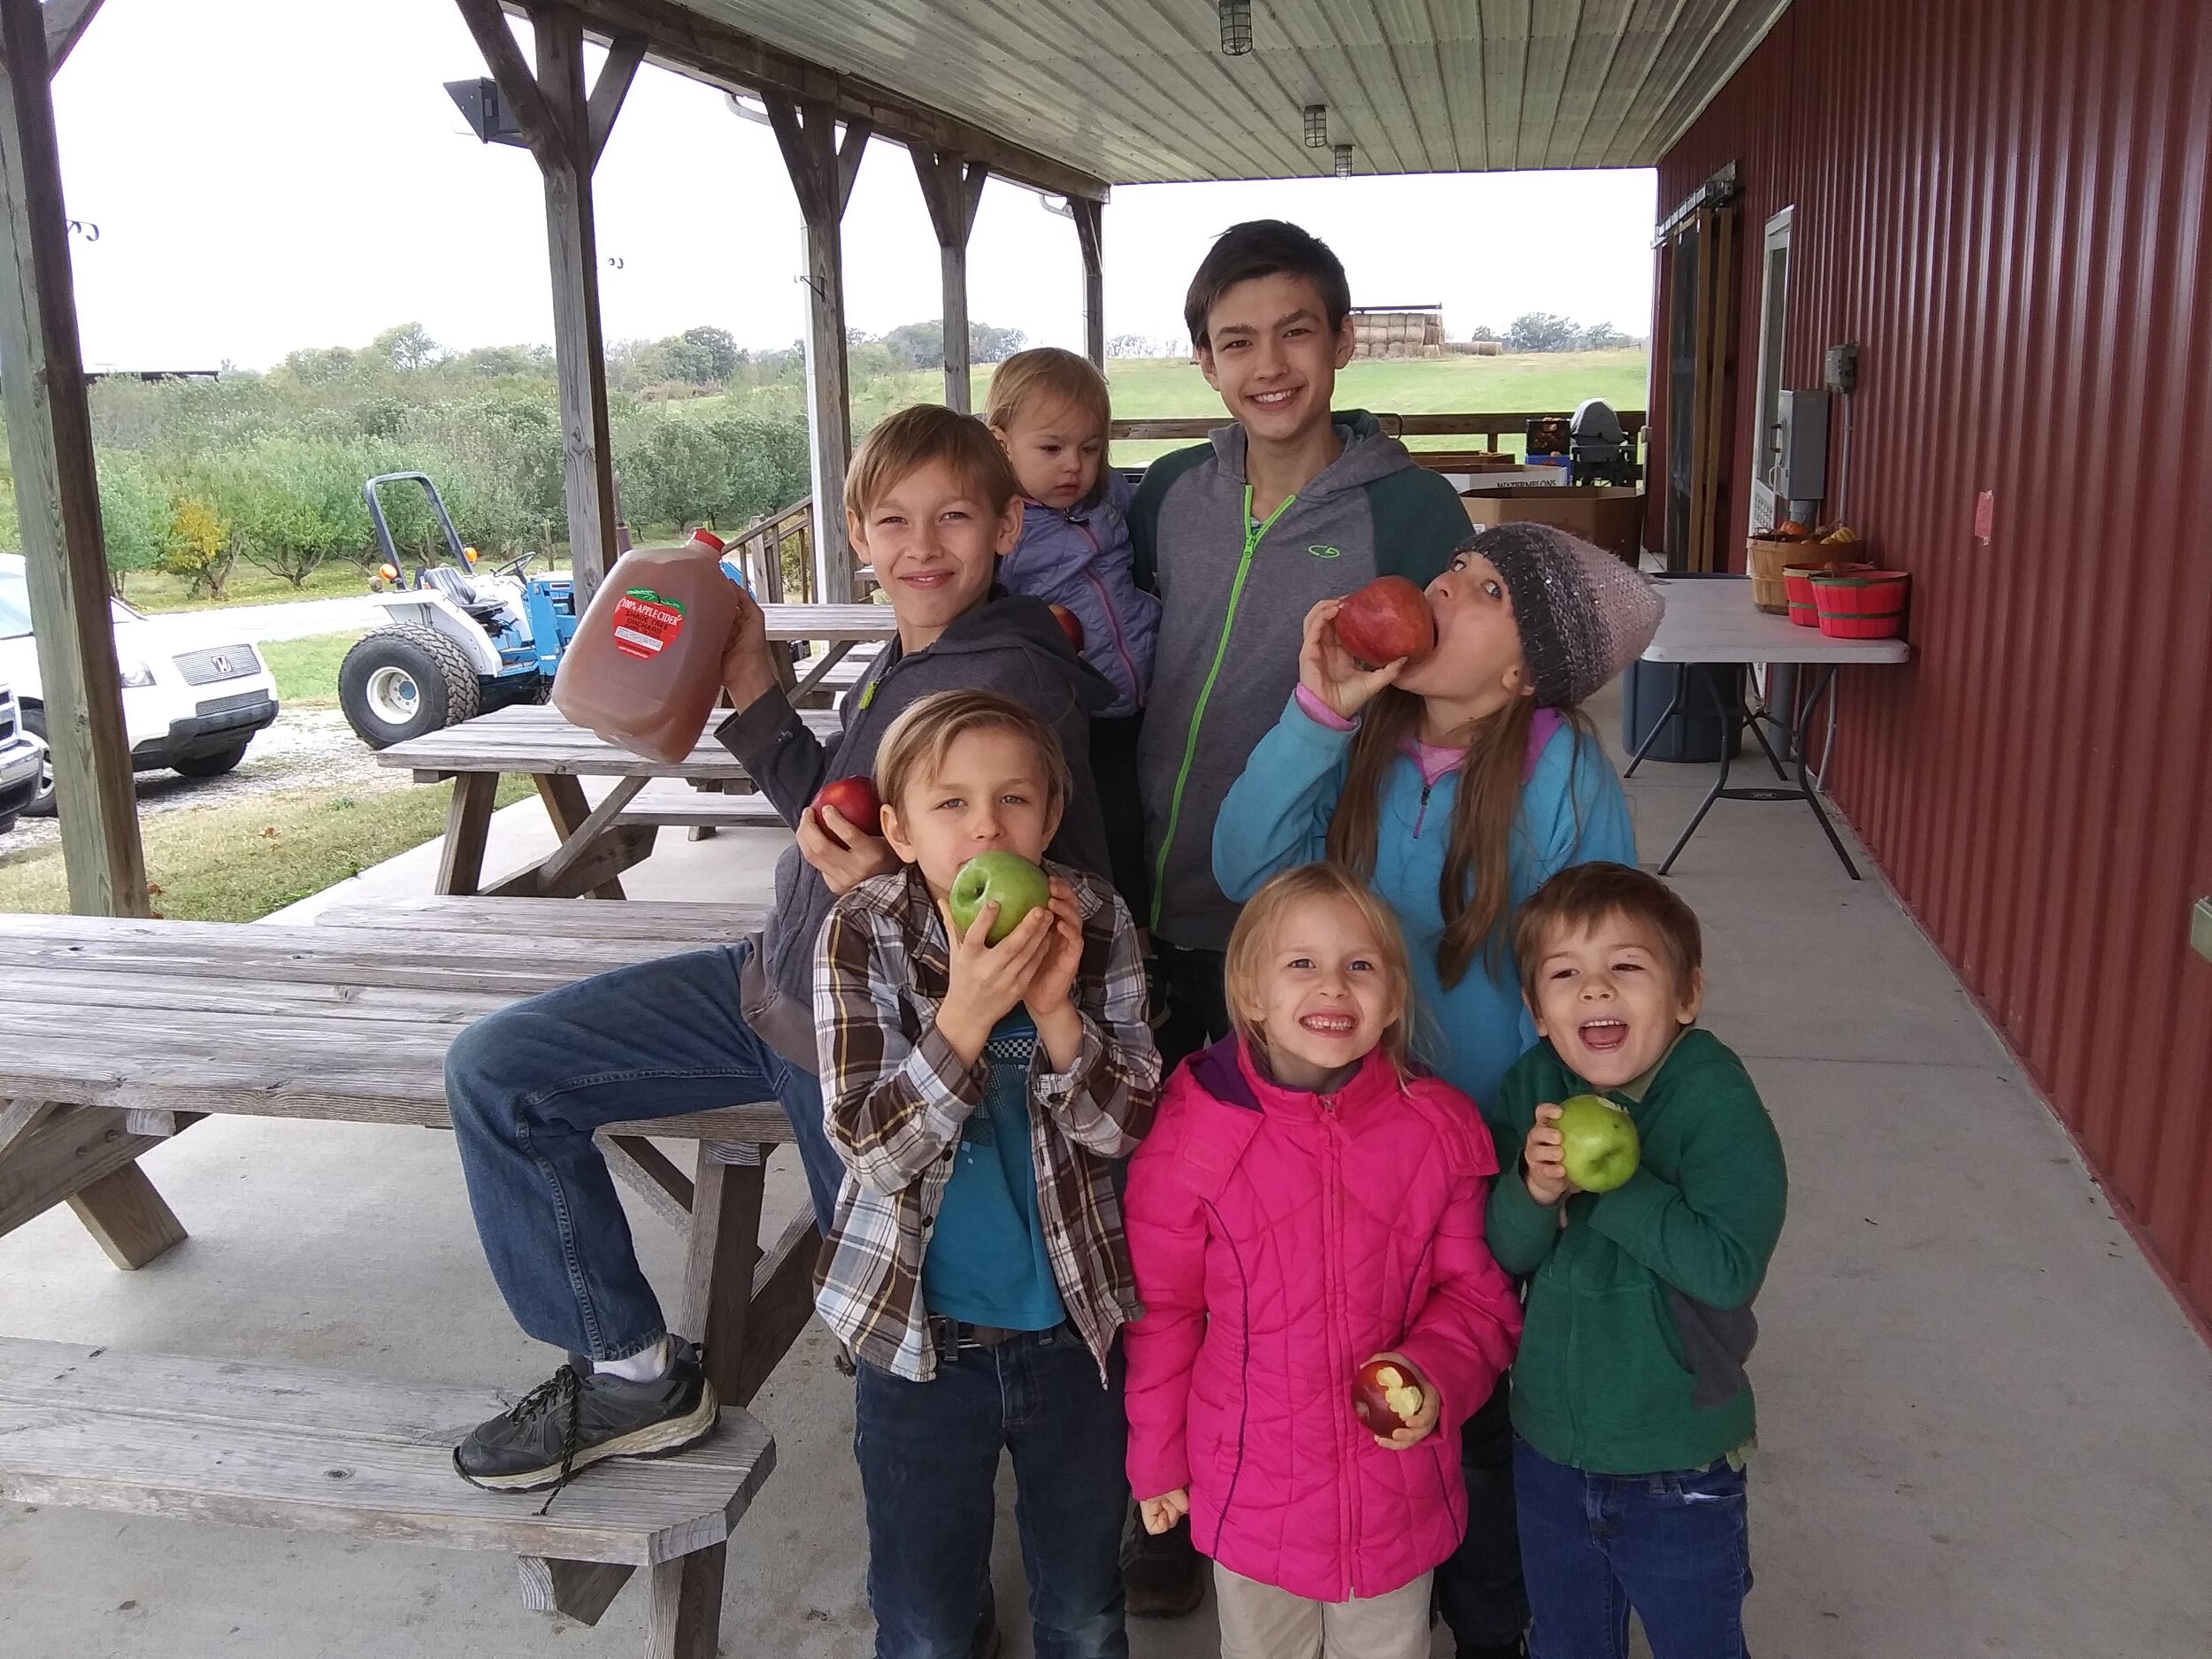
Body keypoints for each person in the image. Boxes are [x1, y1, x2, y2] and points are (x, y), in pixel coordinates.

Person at [443, 405, 1113, 1494]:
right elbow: (844, 828)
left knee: (903, 1323)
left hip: (858, 1036)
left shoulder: (1004, 682)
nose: (922, 545)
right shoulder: (908, 655)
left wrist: (889, 900)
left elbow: (1035, 907)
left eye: (952, 516)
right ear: (855, 534)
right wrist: (753, 681)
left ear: (1007, 525)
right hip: (767, 984)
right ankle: (628, 1368)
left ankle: (942, 1583)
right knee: (500, 1070)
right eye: (893, 520)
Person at [1211, 520, 1661, 1658]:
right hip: (1353, 1137)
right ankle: (1376, 1566)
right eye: (1451, 568)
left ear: (1522, 676)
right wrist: (1318, 710)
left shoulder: (1558, 770)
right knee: (1371, 1357)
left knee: (1477, 1378)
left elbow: (1589, 970)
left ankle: (1488, 1616)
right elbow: (1246, 871)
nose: (1443, 584)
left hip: (1489, 1148)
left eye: (1485, 588)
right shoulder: (1358, 734)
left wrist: (1552, 1138)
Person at [1125, 215, 1472, 1617]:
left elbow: (1461, 697)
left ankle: (1370, 1491)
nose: (1269, 364)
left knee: (1308, 1232)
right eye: (1235, 339)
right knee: (1163, 1227)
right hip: (1147, 909)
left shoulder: (1407, 511)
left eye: (1295, 332)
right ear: (1206, 360)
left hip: (1295, 940)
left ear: (1339, 341)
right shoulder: (1164, 498)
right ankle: (1168, 1495)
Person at [813, 688, 1159, 1659]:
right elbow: (872, 1150)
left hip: (1071, 1329)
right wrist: (964, 1015)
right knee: (923, 1618)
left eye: (1013, 802)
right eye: (950, 804)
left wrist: (1055, 1012)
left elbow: (1124, 1128)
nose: (984, 828)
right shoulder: (862, 931)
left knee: (1086, 1607)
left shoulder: (1094, 919)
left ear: (1048, 818)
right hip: (919, 1339)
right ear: (899, 829)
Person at [1121, 862, 1523, 1659]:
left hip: (1392, 1500)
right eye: (1301, 963)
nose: (1332, 985)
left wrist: (1433, 1374)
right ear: (1250, 994)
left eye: (1361, 965)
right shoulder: (1195, 1132)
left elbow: (1479, 1300)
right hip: (1252, 1490)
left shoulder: (1437, 1129)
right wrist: (1156, 1460)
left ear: (1394, 999)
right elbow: (1164, 1314)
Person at [1487, 864, 1787, 1659]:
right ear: (1538, 1012)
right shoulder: (1533, 1090)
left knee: (1698, 1643)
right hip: (1549, 1440)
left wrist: (1614, 1190)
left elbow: (1727, 1267)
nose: (1594, 991)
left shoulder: (1714, 1101)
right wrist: (1534, 1187)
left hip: (1677, 1457)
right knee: (1566, 1642)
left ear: (1686, 994)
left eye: (1625, 967)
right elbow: (1502, 1253)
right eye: (1565, 974)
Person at [987, 346, 1161, 918]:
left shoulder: (1107, 496)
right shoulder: (1004, 528)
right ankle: (1124, 936)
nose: (1074, 466)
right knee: (1107, 833)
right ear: (1001, 442)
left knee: (1158, 822)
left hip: (1152, 699)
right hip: (1081, 714)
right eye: (1052, 448)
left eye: (1091, 448)